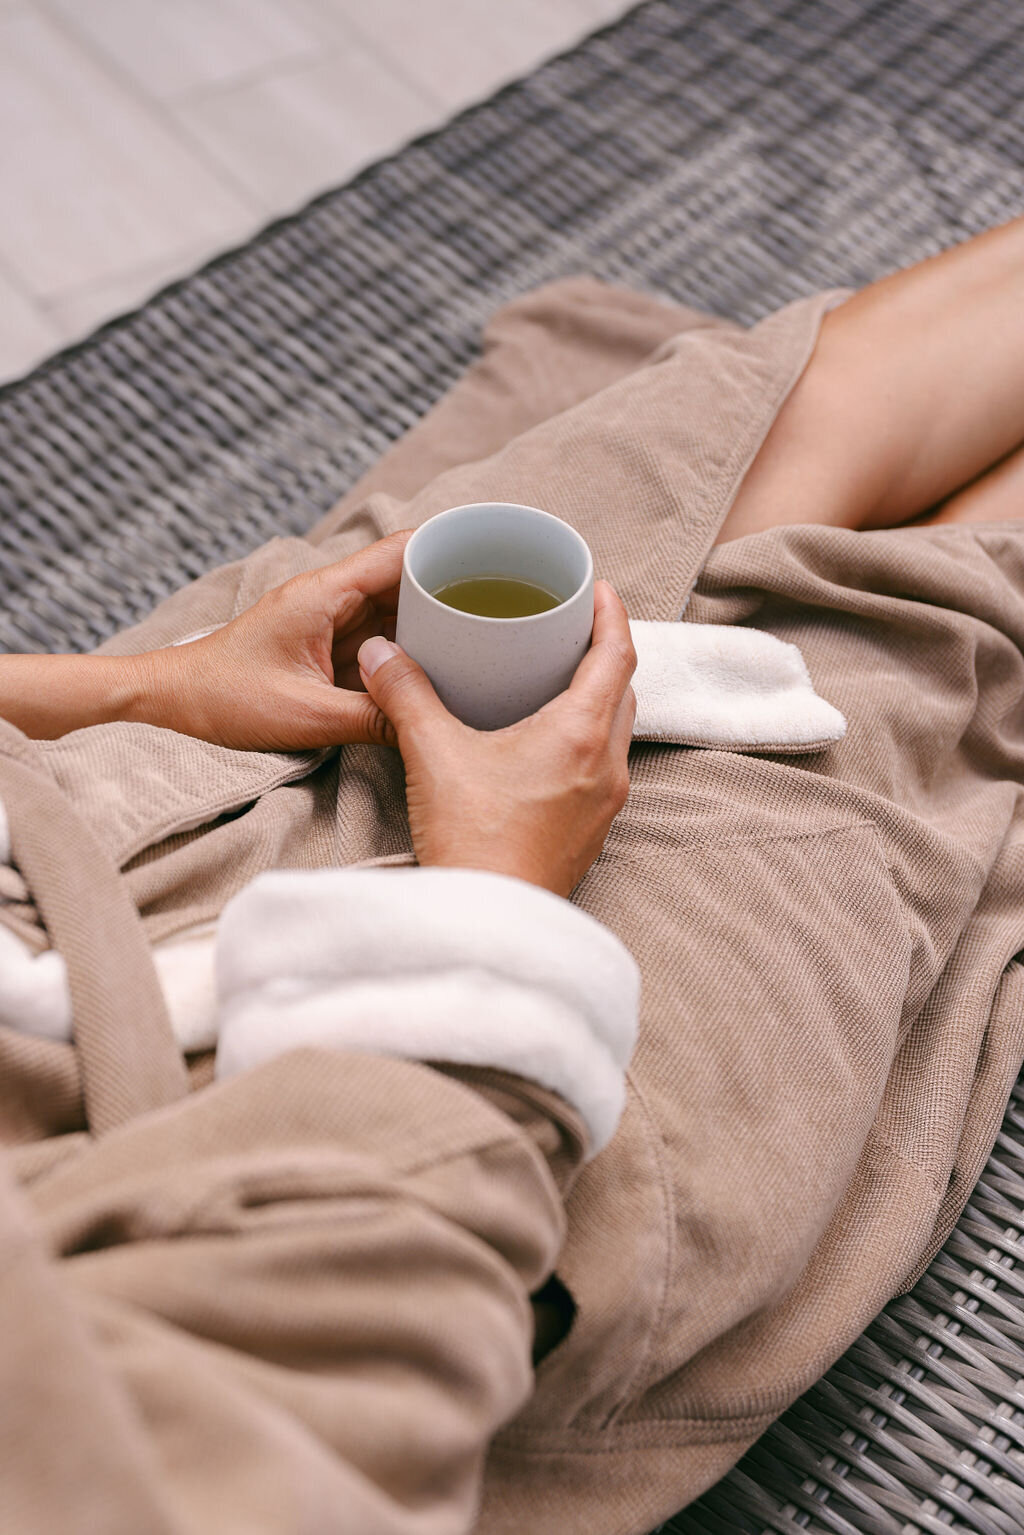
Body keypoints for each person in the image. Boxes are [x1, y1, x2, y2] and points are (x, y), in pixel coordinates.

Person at [0, 217, 1022, 1535]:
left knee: (716, 441)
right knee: (909, 661)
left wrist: (148, 687)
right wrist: (493, 909)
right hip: (410, 1149)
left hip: (86, 810)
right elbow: (320, 1395)